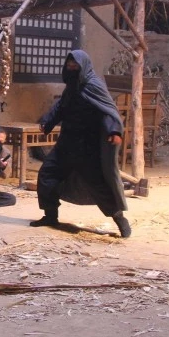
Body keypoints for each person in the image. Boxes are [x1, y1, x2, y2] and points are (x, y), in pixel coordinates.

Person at [30, 50, 132, 238]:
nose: (71, 69)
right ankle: (50, 216)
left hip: (87, 147)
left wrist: (114, 131)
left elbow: (107, 111)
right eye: (69, 66)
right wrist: (48, 121)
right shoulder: (71, 87)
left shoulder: (94, 86)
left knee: (98, 184)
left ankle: (119, 218)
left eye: (75, 66)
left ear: (83, 66)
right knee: (47, 174)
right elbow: (60, 108)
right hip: (66, 143)